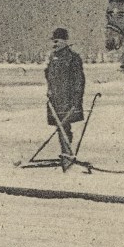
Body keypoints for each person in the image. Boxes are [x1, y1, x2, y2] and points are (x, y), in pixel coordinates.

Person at [45, 27, 85, 158]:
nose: (55, 44)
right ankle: (65, 151)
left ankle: (66, 152)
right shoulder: (52, 58)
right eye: (53, 41)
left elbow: (79, 79)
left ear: (64, 42)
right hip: (55, 99)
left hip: (68, 99)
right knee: (60, 125)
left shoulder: (73, 58)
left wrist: (76, 99)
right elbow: (49, 76)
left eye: (57, 41)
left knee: (64, 125)